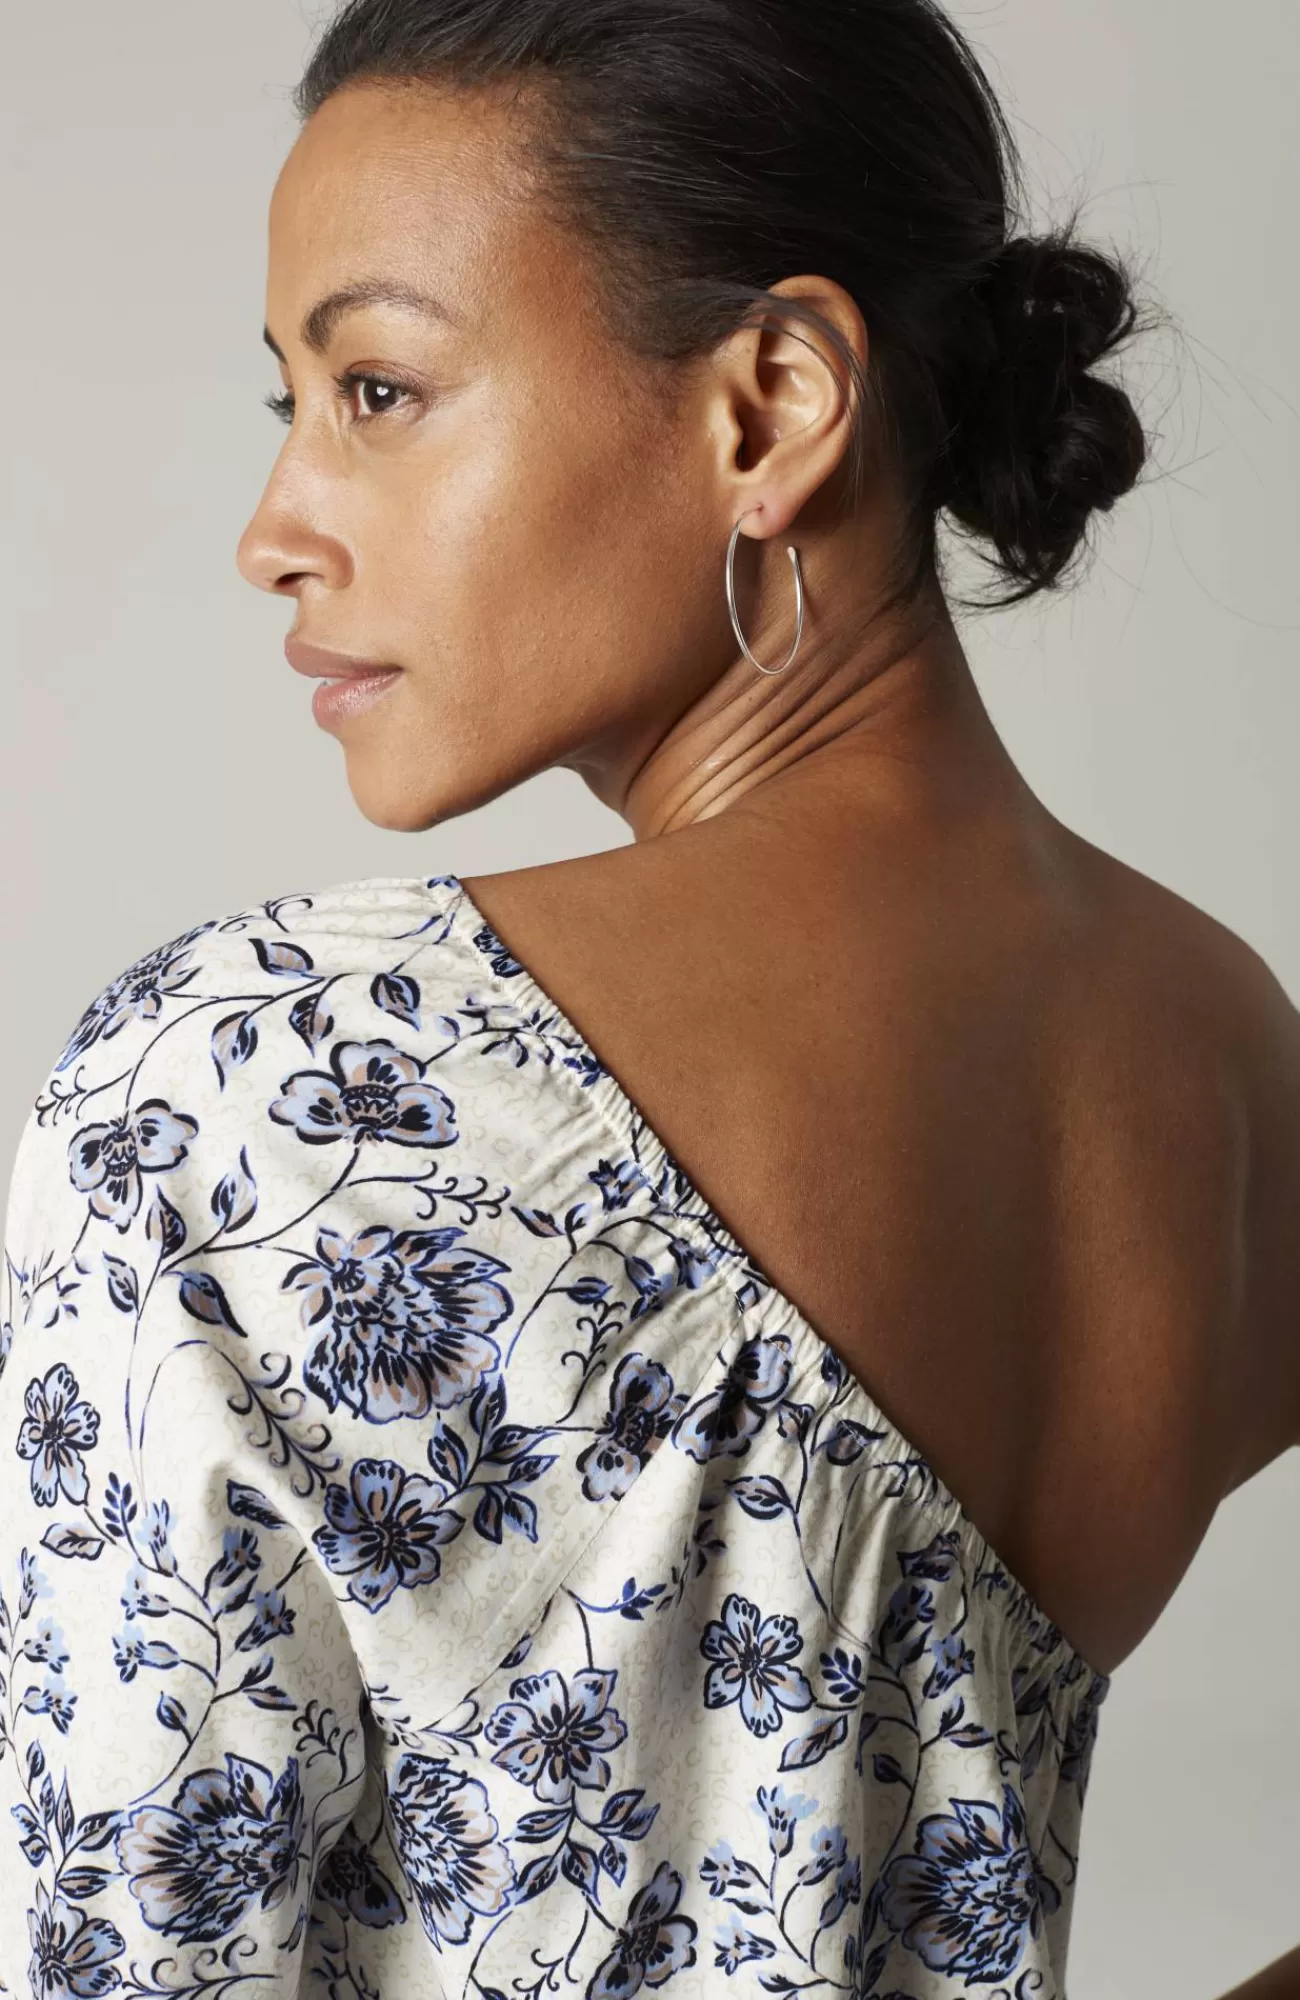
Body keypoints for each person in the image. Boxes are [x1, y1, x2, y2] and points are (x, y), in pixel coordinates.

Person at [1, 1, 1296, 1995]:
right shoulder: (1229, 1058)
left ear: (769, 407)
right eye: (293, 399)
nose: (274, 531)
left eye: (377, 388)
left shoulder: (265, 1085)